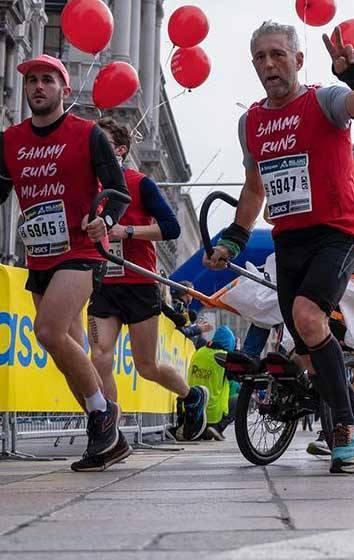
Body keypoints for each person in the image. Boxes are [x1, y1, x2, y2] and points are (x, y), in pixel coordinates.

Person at [204, 21, 354, 474]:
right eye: (260, 57)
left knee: (308, 316)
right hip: (289, 239)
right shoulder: (251, 122)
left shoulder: (324, 101)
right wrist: (234, 238)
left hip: (337, 233)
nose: (269, 64)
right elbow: (254, 188)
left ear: (299, 60)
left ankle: (343, 431)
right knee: (304, 348)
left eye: (278, 54)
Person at [0, 54, 131, 471]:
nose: (38, 87)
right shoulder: (10, 140)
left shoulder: (88, 134)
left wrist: (104, 220)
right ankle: (108, 440)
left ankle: (103, 414)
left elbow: (119, 190)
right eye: (32, 81)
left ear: (64, 89)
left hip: (81, 251)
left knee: (47, 330)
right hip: (40, 255)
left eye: (48, 80)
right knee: (66, 349)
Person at [90, 117, 209, 442]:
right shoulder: (88, 186)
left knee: (146, 366)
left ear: (120, 149)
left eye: (101, 142)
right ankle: (109, 432)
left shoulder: (139, 183)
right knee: (99, 357)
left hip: (139, 283)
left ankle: (191, 396)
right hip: (103, 282)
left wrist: (126, 231)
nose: (93, 148)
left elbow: (172, 228)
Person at [186, 325, 237, 439]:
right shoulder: (224, 358)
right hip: (212, 418)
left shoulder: (199, 352)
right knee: (238, 400)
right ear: (229, 343)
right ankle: (218, 428)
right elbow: (237, 378)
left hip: (193, 414)